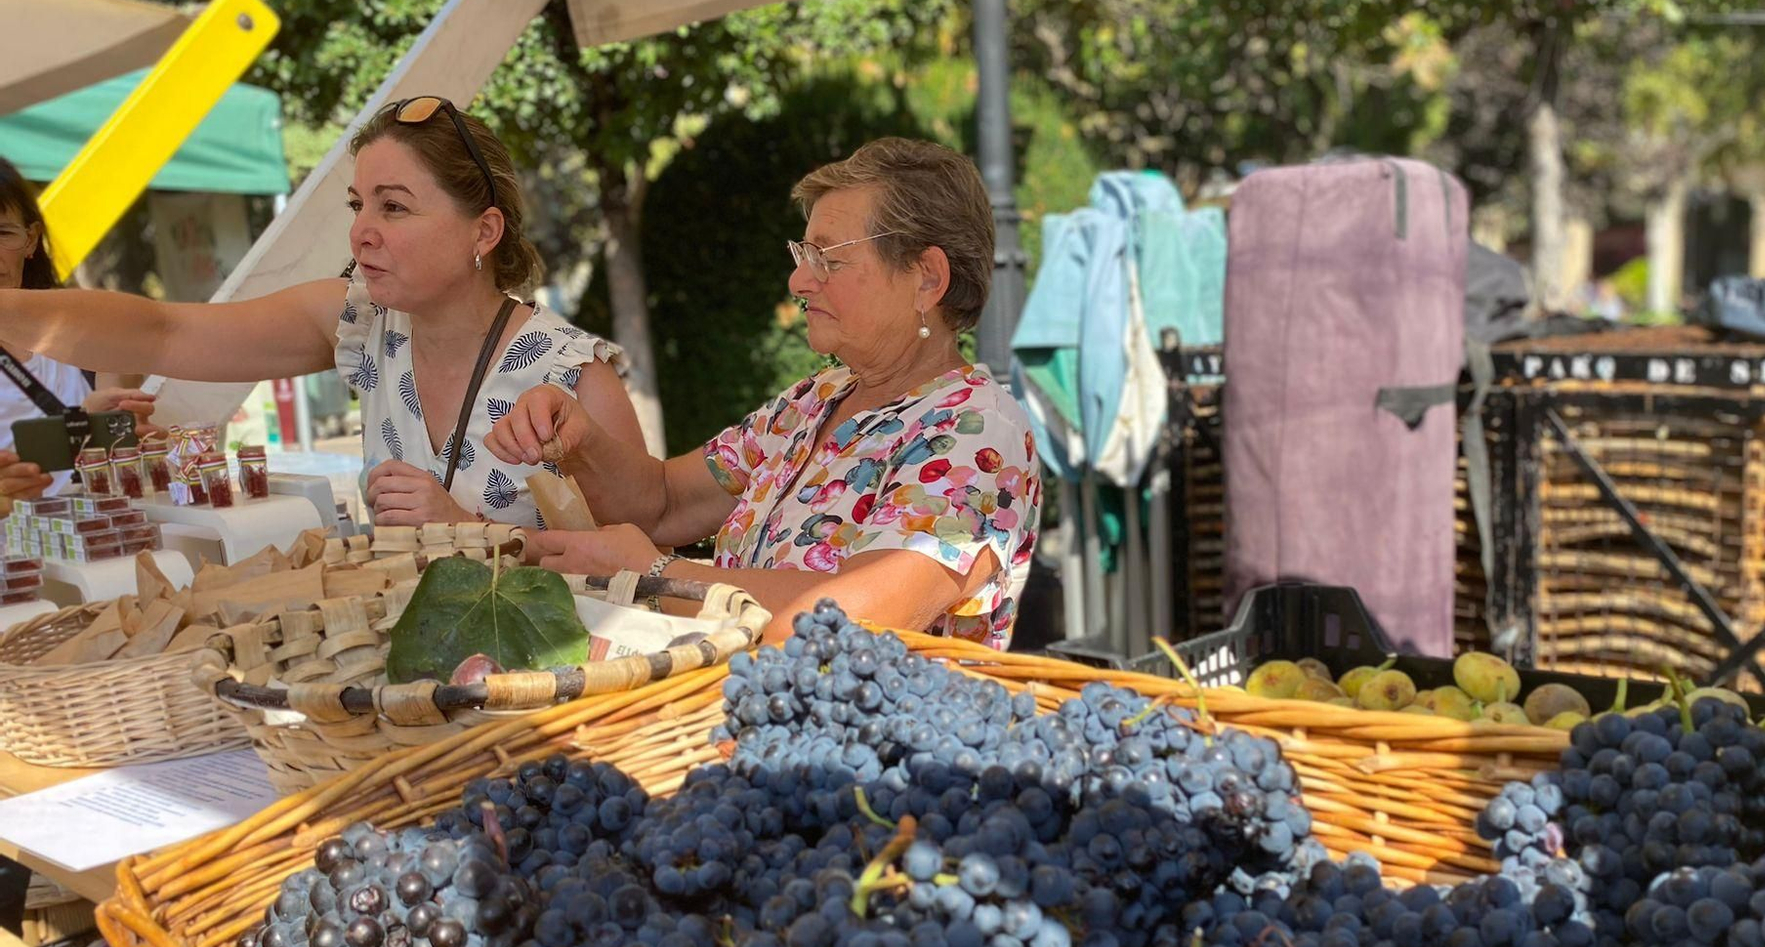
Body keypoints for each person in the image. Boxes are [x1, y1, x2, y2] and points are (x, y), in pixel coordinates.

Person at [488, 137, 1043, 646]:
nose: (799, 281)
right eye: (803, 256)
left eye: (828, 257)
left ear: (927, 278)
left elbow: (853, 621)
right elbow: (665, 503)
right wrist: (579, 440)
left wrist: (655, 575)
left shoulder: (977, 430)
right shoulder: (815, 400)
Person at [0, 101, 643, 530]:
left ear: (484, 231)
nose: (361, 231)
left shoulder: (573, 374)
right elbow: (166, 332)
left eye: (394, 207)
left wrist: (467, 531)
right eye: (358, 205)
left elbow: (642, 567)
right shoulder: (362, 321)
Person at [0, 157, 155, 505]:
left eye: (3, 233)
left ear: (30, 240)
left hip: (101, 531)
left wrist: (124, 430)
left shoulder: (87, 325)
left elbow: (125, 444)